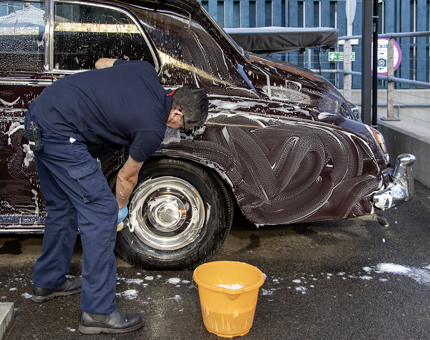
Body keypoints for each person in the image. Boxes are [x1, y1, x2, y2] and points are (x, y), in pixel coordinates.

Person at [24, 58, 208, 334]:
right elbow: (126, 176)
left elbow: (100, 64)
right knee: (101, 213)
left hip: (40, 114)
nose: (177, 130)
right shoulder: (151, 130)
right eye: (182, 127)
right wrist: (119, 209)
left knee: (63, 206)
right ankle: (98, 312)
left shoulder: (144, 70)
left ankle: (49, 281)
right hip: (61, 136)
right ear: (177, 113)